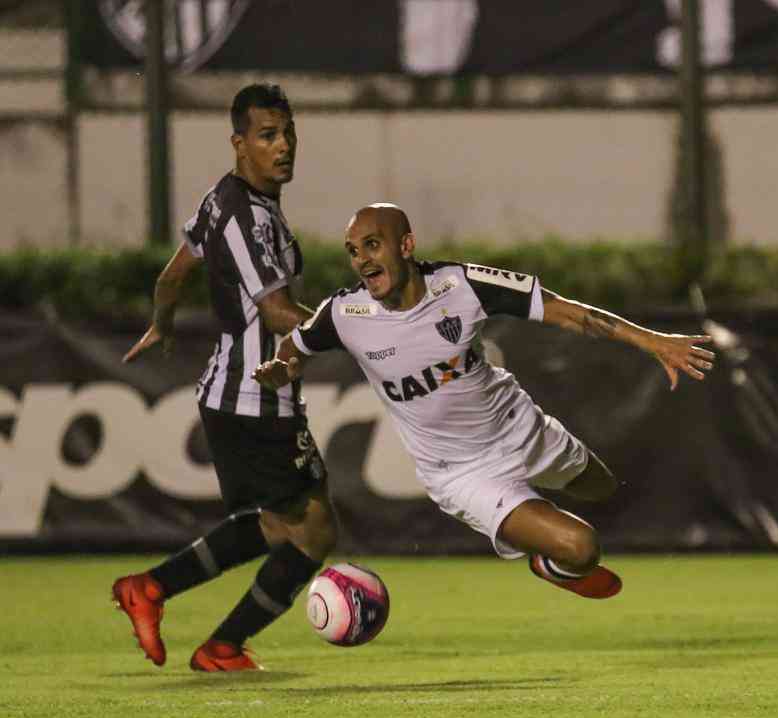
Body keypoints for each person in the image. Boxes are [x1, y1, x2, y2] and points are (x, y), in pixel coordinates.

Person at [253, 203, 715, 596]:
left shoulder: (461, 285)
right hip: (460, 472)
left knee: (603, 488)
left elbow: (566, 313)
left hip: (519, 426)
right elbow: (296, 344)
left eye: (373, 244)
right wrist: (283, 367)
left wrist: (653, 341)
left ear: (406, 246)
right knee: (582, 549)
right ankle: (549, 563)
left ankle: (551, 539)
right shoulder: (344, 313)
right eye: (353, 251)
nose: (362, 260)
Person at [113, 84, 337, 672]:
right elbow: (278, 312)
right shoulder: (243, 217)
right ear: (239, 143)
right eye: (268, 136)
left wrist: (161, 323)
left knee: (274, 524)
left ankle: (153, 590)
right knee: (312, 530)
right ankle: (220, 646)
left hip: (244, 393)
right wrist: (365, 330)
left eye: (288, 133)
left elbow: (172, 275)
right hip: (254, 397)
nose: (283, 146)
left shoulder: (226, 200)